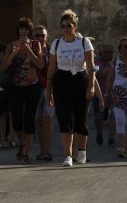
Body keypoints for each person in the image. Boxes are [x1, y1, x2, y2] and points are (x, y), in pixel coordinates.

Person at [46, 9, 95, 166]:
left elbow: (91, 67)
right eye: (64, 26)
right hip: (62, 80)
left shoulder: (84, 42)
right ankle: (67, 155)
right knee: (64, 117)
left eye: (69, 25)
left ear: (75, 26)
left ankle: (82, 150)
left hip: (81, 79)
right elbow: (52, 67)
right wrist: (48, 89)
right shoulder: (57, 43)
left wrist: (92, 86)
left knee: (81, 117)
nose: (66, 28)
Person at [1, 17, 44, 163]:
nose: (23, 31)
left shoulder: (35, 45)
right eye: (21, 29)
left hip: (33, 86)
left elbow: (40, 65)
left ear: (30, 31)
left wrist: (28, 50)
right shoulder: (11, 45)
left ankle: (27, 152)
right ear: (18, 31)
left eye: (26, 29)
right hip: (15, 86)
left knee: (29, 119)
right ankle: (22, 142)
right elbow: (3, 67)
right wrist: (13, 53)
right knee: (17, 120)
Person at [33, 25, 55, 161]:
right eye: (37, 35)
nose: (40, 38)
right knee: (38, 121)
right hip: (34, 88)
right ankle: (42, 151)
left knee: (48, 118)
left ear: (46, 37)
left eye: (43, 35)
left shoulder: (53, 50)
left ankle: (47, 151)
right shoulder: (30, 50)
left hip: (49, 88)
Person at [0, 41, 17, 147]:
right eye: (4, 52)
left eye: (8, 52)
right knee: (1, 117)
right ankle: (2, 140)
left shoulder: (11, 61)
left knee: (12, 115)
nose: (6, 54)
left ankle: (12, 138)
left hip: (10, 90)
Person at [93, 44, 115, 145]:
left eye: (110, 52)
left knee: (113, 115)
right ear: (101, 52)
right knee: (99, 116)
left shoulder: (115, 62)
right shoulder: (96, 61)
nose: (108, 54)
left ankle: (111, 139)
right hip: (99, 94)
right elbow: (94, 74)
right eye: (105, 52)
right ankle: (99, 133)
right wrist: (102, 73)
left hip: (113, 93)